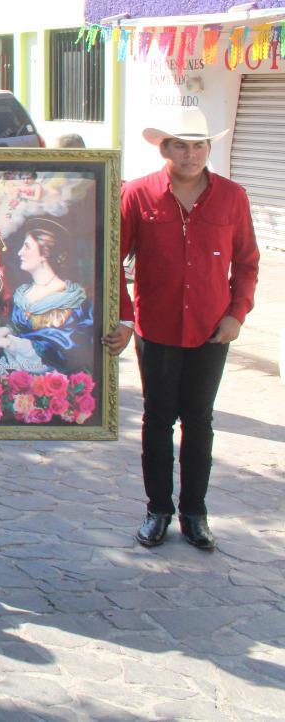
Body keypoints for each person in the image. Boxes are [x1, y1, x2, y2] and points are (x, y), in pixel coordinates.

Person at [105, 110, 258, 551]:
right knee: (157, 420)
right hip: (157, 328)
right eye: (180, 145)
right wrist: (126, 319)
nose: (190, 154)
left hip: (212, 329)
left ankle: (194, 512)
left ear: (208, 149)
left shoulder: (232, 196)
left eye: (198, 145)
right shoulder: (137, 194)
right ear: (164, 148)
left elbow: (247, 262)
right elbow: (111, 259)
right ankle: (158, 510)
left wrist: (236, 315)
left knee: (199, 420)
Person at [0, 219, 93, 376]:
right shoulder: (22, 294)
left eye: (27, 246)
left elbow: (64, 350)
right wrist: (5, 330)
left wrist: (7, 342)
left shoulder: (74, 300)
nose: (20, 252)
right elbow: (25, 330)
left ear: (45, 254)